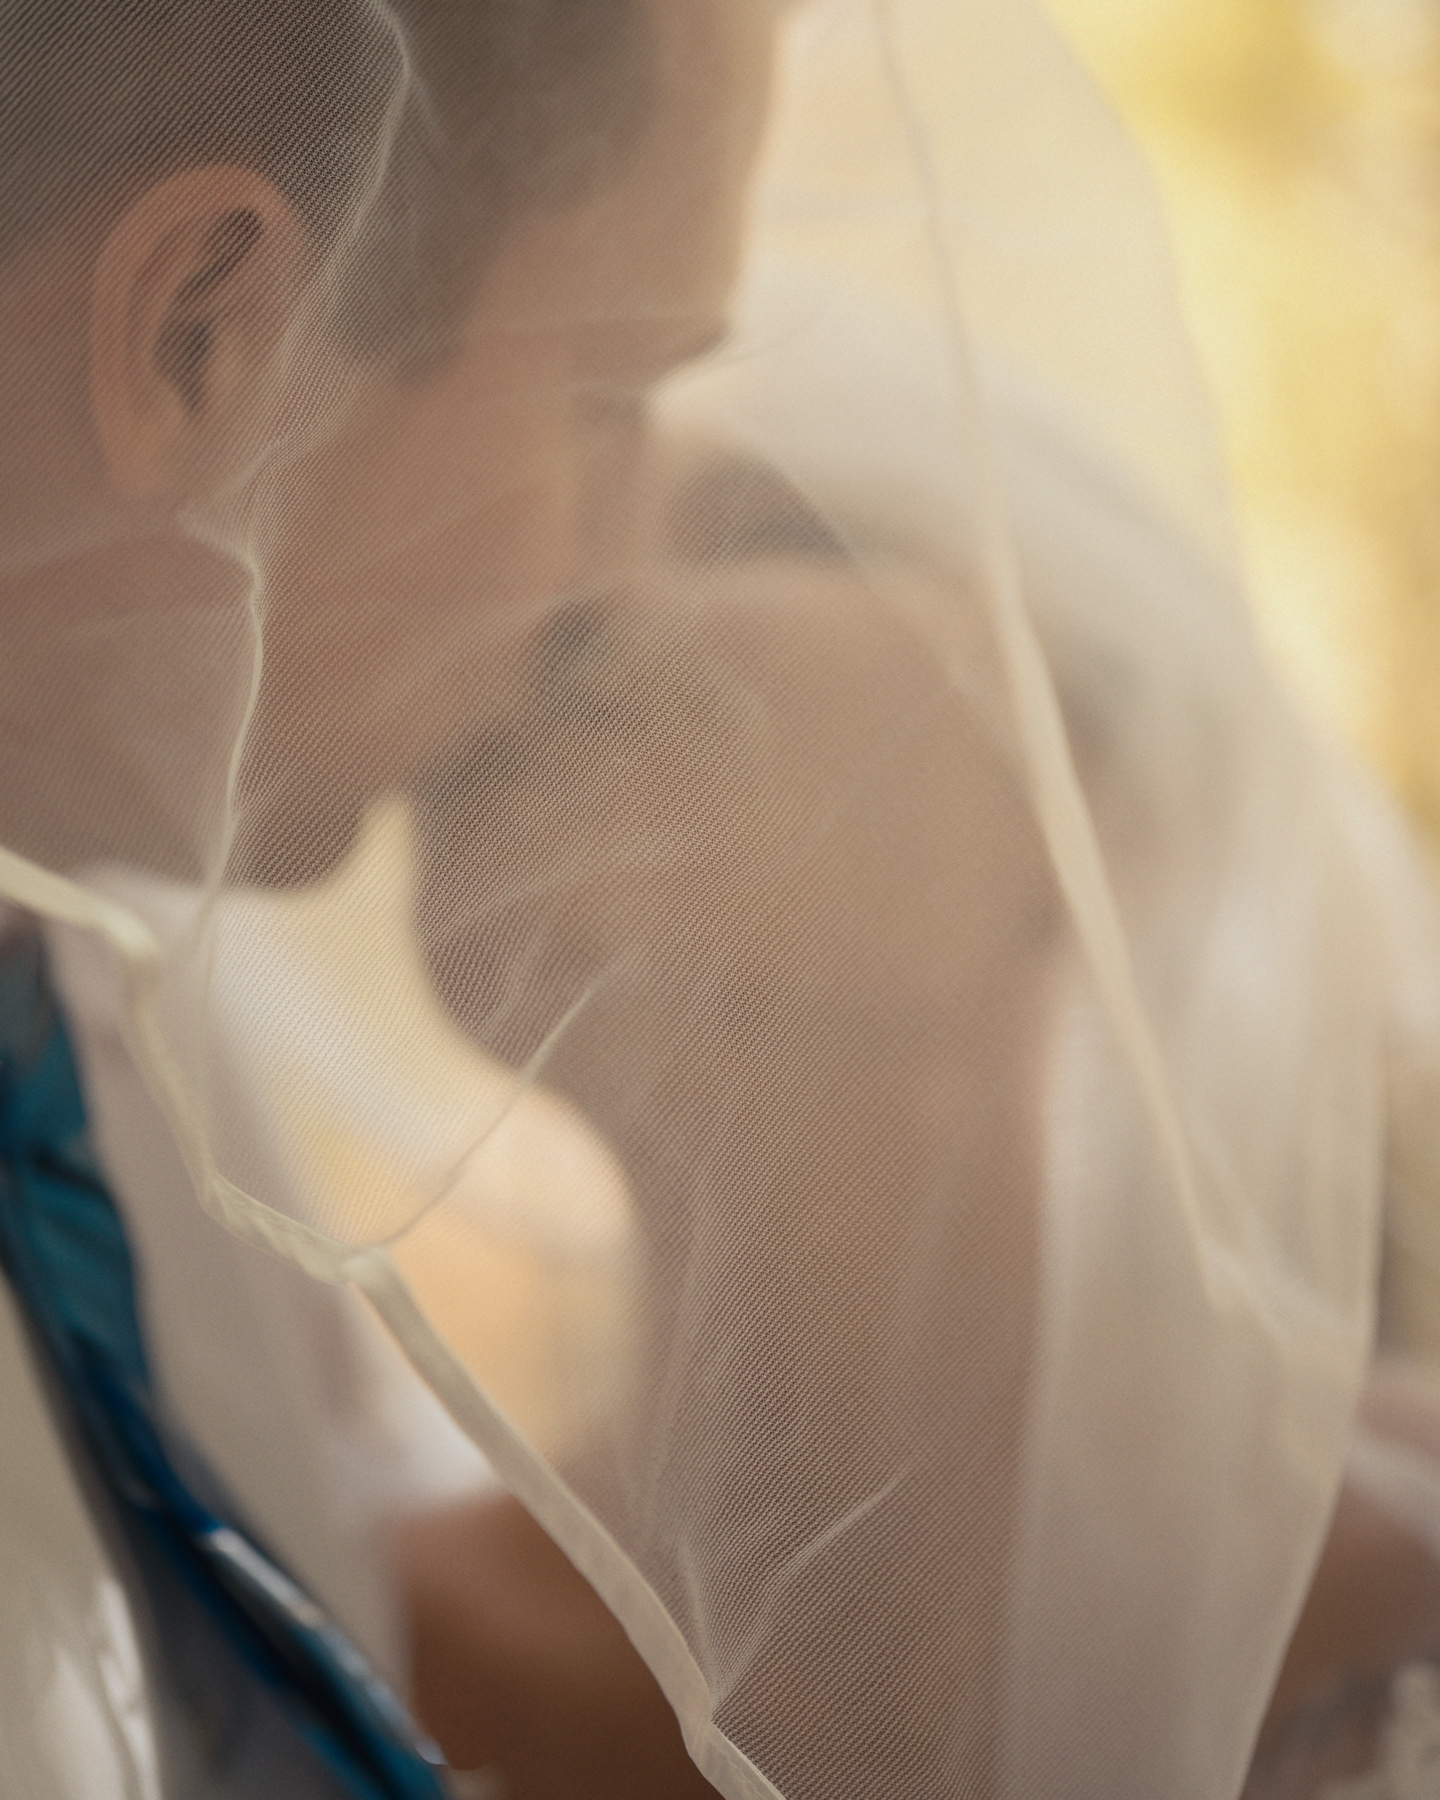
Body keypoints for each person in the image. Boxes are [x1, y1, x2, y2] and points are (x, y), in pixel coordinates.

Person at [5, 1, 1440, 1797]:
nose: (560, 606)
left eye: (761, 530)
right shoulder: (315, 1567)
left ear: (1099, 818)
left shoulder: (1405, 1593)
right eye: (596, 415)